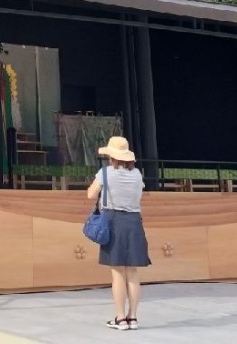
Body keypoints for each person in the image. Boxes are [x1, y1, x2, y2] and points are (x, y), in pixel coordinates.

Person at [87, 135, 150, 331]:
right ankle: (133, 318)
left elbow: (90, 194)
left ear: (111, 156)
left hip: (114, 222)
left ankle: (120, 318)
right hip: (134, 222)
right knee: (132, 272)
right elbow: (139, 195)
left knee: (117, 273)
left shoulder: (105, 173)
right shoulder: (137, 174)